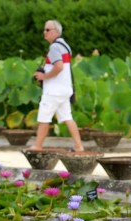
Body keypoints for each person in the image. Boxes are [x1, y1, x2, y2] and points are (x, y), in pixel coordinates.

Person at [31, 20, 84, 152]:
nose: (45, 32)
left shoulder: (54, 47)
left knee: (44, 118)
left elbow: (59, 66)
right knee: (67, 117)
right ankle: (79, 146)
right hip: (65, 89)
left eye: (47, 30)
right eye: (44, 29)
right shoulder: (65, 45)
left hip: (53, 91)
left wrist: (44, 76)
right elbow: (62, 67)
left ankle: (37, 146)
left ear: (56, 31)